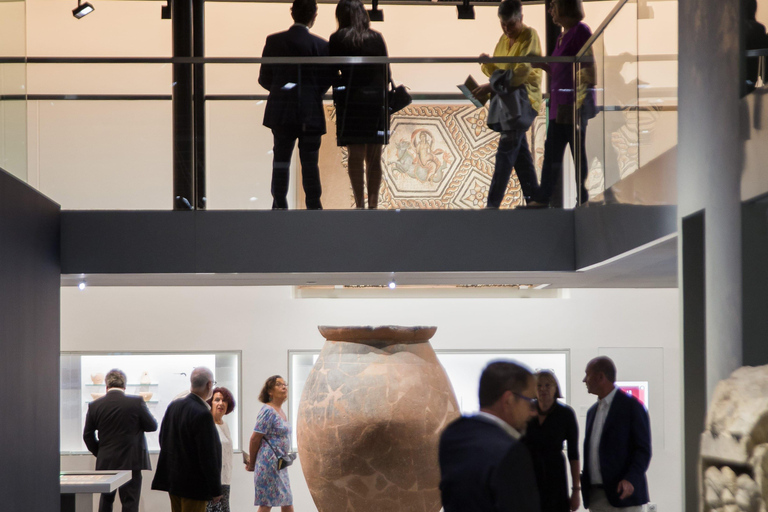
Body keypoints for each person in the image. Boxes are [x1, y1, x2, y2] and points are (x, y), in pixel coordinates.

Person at [438, 360, 540, 512]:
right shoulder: (511, 452)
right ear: (509, 400)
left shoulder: (453, 434)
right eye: (530, 401)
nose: (534, 412)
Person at [259, 0, 331, 210]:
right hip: (310, 112)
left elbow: (264, 79)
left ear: (292, 13)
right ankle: (313, 205)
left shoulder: (274, 41)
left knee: (281, 159)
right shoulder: (321, 46)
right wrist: (312, 94)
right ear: (313, 16)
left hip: (282, 111)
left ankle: (279, 203)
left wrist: (281, 92)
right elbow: (326, 79)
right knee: (310, 162)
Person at [473, 0, 543, 209]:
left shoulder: (530, 36)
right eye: (503, 25)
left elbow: (521, 73)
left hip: (524, 101)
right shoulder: (503, 40)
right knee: (520, 154)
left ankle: (492, 204)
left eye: (511, 25)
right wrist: (488, 64)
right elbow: (499, 72)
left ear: (521, 19)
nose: (506, 30)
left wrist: (492, 86)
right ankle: (534, 200)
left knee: (505, 151)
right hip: (509, 104)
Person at [329, 0, 390, 209]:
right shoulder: (376, 37)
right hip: (375, 101)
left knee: (355, 155)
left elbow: (331, 72)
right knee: (374, 157)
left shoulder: (337, 38)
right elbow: (386, 73)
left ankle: (360, 204)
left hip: (351, 102)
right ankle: (373, 204)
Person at [534, 0, 595, 207]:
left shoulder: (580, 31)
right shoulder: (561, 37)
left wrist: (580, 102)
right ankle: (544, 197)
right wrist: (544, 66)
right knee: (552, 151)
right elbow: (560, 72)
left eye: (553, 6)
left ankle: (582, 198)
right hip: (558, 105)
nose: (550, 11)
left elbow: (586, 69)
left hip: (572, 105)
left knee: (576, 152)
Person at [582, 356, 652, 512]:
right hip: (596, 497)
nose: (584, 380)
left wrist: (630, 480)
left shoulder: (632, 407)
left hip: (624, 496)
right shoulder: (592, 412)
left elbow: (643, 450)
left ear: (600, 377)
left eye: (587, 374)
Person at [82, 368, 157, 512]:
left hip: (106, 461)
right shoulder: (136, 402)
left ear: (106, 386)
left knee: (106, 501)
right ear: (125, 386)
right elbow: (152, 426)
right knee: (130, 503)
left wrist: (101, 451)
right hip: (132, 461)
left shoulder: (95, 405)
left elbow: (87, 435)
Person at [152, 367, 222, 512]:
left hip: (174, 481)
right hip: (194, 486)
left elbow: (163, 439)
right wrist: (216, 489)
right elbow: (207, 455)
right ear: (209, 385)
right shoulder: (203, 414)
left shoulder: (174, 405)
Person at [522, 370, 581, 512]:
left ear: (555, 388)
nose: (543, 389)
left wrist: (576, 491)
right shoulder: (525, 412)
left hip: (555, 475)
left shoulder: (566, 414)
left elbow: (573, 455)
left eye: (547, 385)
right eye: (539, 386)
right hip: (529, 476)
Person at [245, 375, 294, 512]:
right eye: (279, 384)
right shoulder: (267, 411)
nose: (284, 386)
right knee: (267, 503)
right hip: (268, 463)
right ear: (270, 392)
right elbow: (255, 438)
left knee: (287, 500)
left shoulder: (281, 411)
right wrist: (252, 463)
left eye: (285, 384)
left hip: (280, 464)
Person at [206, 387, 236, 512]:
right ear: (210, 403)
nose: (221, 403)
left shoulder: (225, 424)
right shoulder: (207, 424)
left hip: (225, 479)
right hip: (212, 480)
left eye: (224, 401)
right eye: (217, 400)